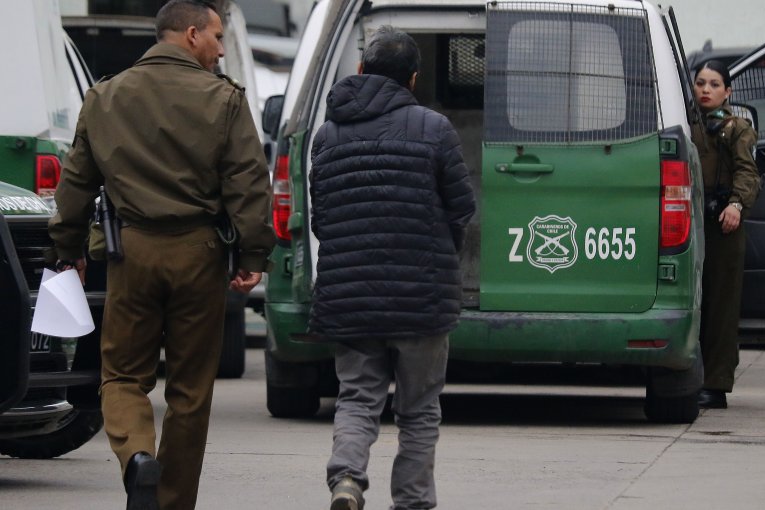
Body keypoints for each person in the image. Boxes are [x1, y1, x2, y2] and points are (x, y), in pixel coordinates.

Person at [47, 1, 275, 508]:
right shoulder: (224, 100)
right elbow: (248, 185)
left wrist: (68, 249)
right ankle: (171, 500)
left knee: (123, 374)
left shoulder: (105, 95)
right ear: (191, 35)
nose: (221, 50)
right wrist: (253, 256)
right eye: (216, 38)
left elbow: (76, 185)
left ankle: (137, 459)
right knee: (190, 391)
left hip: (132, 253)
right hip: (201, 253)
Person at [309, 25, 476, 510]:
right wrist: (443, 257)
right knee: (419, 411)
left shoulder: (328, 134)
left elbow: (323, 219)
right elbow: (461, 209)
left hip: (351, 296)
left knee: (357, 398)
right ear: (414, 79)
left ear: (361, 70)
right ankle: (412, 502)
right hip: (422, 297)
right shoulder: (435, 128)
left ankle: (346, 480)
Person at [691, 60, 761, 410]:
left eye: (714, 84)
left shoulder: (737, 129)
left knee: (720, 305)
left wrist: (736, 204)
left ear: (727, 91)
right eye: (700, 83)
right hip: (690, 223)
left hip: (723, 223)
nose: (705, 90)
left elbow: (749, 173)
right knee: (693, 303)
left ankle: (715, 384)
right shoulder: (686, 126)